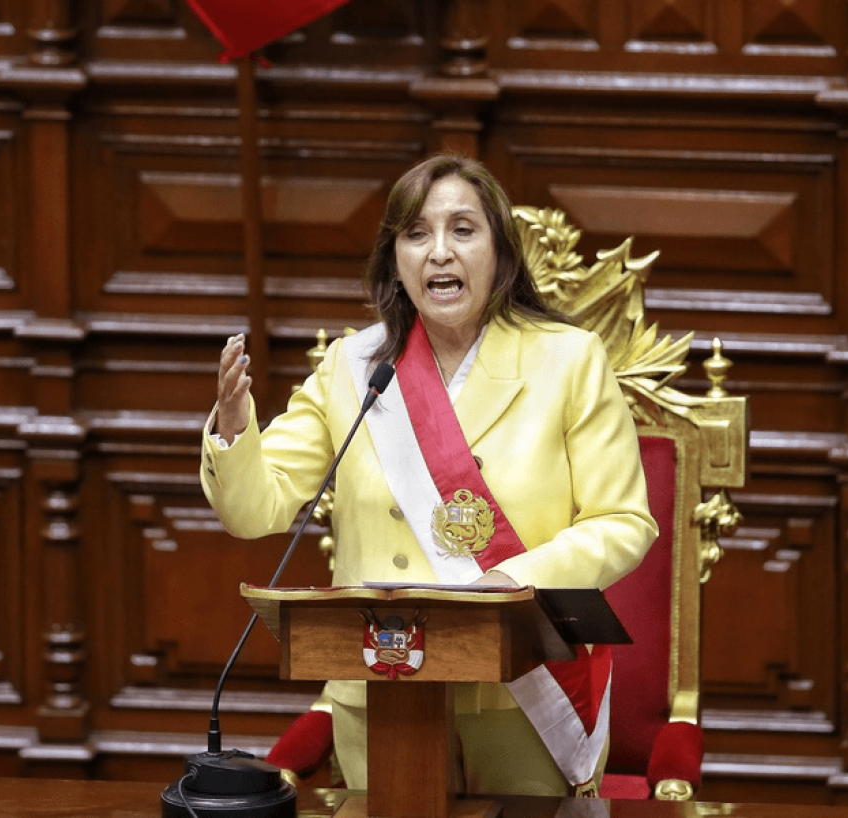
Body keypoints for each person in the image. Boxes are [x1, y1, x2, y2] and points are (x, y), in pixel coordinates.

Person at [200, 153, 658, 797]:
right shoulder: (351, 366)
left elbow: (622, 523)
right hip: (379, 684)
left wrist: (510, 581)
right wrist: (232, 429)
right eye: (416, 234)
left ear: (500, 251)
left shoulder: (568, 359)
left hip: (519, 692)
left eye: (462, 230)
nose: (439, 252)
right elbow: (256, 510)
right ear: (394, 260)